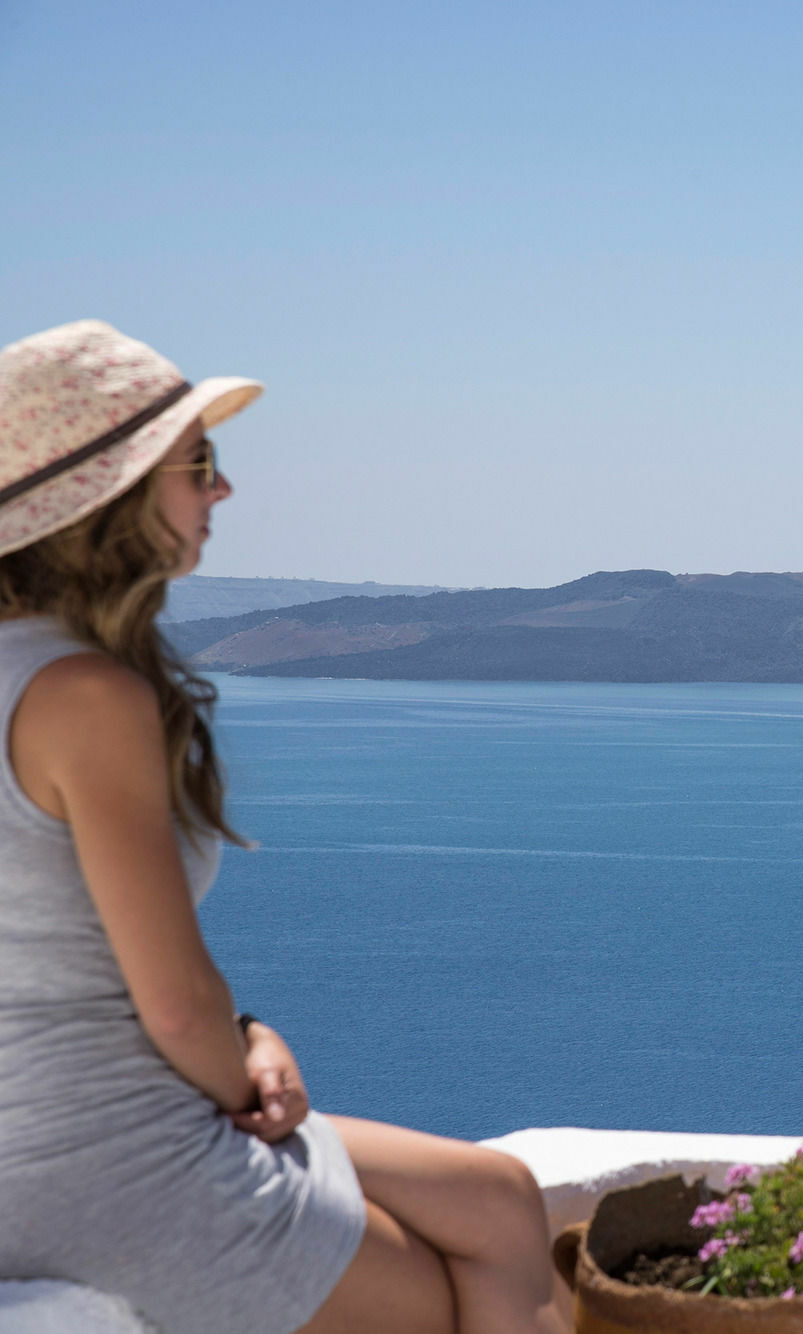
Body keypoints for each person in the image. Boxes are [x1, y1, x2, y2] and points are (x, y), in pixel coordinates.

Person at [0, 320, 568, 1334]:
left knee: (502, 1192)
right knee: (451, 1291)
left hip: (44, 1146)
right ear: (111, 502)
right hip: (102, 1169)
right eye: (199, 462)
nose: (223, 490)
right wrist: (250, 1077)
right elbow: (173, 1006)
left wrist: (251, 1033)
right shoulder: (86, 696)